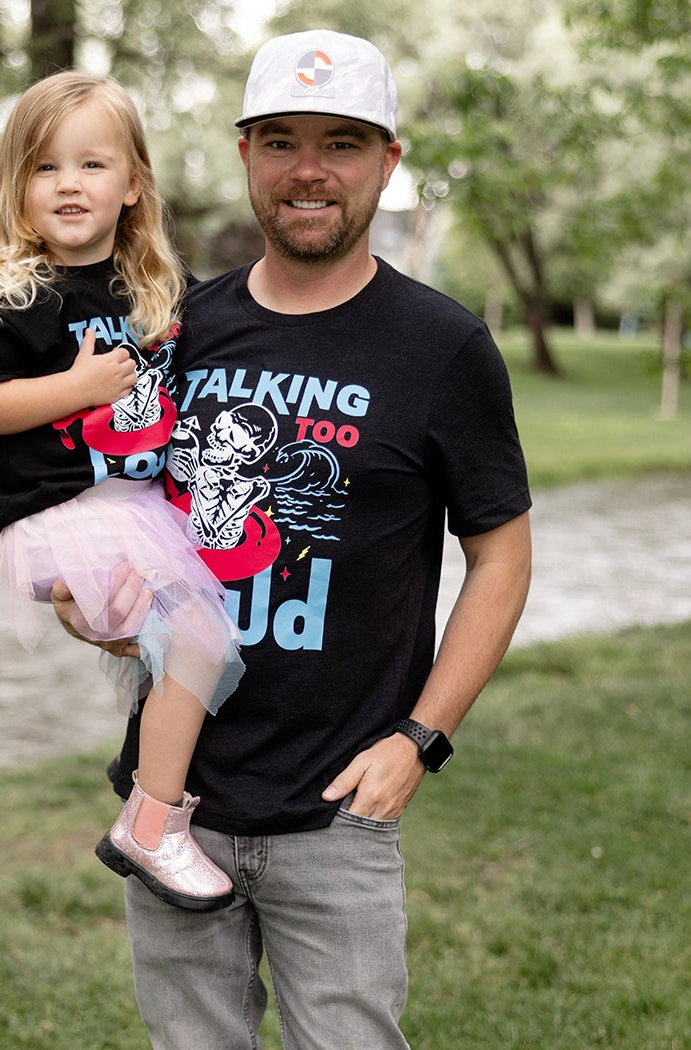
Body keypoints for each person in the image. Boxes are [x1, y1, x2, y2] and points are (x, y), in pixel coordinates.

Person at [55, 29, 533, 1049]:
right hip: (173, 801)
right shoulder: (176, 326)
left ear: (387, 162)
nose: (309, 170)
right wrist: (83, 596)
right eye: (280, 140)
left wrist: (421, 739)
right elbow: (120, 511)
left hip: (339, 811)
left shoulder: (444, 347)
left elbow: (500, 555)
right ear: (244, 155)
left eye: (342, 143)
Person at [0, 71, 245, 912]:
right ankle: (152, 822)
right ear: (17, 187)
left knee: (198, 644)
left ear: (133, 184)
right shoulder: (9, 296)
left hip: (138, 511)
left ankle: (150, 812)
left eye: (92, 165)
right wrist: (78, 388)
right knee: (186, 636)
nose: (70, 184)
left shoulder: (153, 292)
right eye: (45, 168)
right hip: (61, 518)